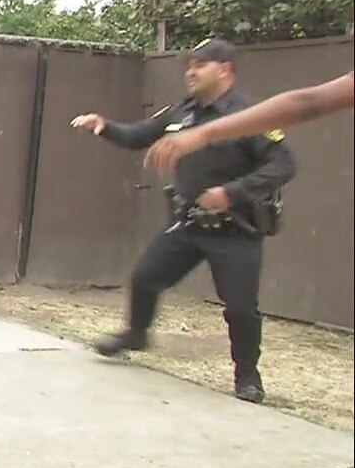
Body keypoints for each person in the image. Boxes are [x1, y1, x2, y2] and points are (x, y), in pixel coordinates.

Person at [70, 38, 296, 404]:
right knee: (145, 278)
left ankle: (247, 376)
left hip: (236, 229)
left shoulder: (248, 116)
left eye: (199, 65)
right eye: (188, 65)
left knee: (240, 308)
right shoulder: (181, 112)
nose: (190, 72)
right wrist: (104, 126)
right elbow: (140, 135)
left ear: (224, 69)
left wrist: (231, 193)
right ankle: (136, 333)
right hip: (189, 223)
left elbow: (284, 164)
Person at [145, 70, 354, 172]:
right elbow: (306, 102)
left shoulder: (239, 104)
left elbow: (305, 103)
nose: (191, 73)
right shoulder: (185, 107)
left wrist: (204, 134)